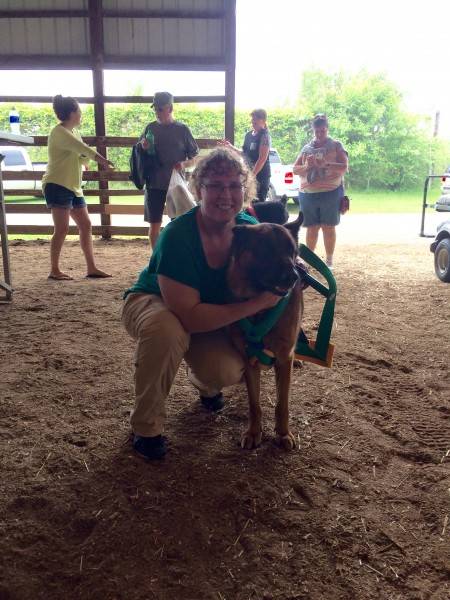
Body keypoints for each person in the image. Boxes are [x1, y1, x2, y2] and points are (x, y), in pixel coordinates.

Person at [122, 147, 282, 460]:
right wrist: (257, 304)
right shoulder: (179, 234)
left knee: (225, 370)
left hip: (207, 309)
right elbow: (190, 317)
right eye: (216, 185)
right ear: (199, 189)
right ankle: (146, 427)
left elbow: (281, 254)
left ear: (245, 189)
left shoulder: (250, 229)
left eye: (235, 185)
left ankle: (204, 383)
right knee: (168, 330)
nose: (226, 194)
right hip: (153, 301)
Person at [42, 95, 114, 280]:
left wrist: (86, 160)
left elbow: (81, 154)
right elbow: (82, 148)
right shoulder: (59, 132)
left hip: (73, 187)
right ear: (72, 113)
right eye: (79, 110)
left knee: (86, 224)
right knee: (62, 228)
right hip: (57, 184)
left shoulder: (74, 132)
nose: (81, 114)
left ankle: (91, 267)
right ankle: (54, 270)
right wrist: (102, 160)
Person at [140, 91, 199, 247]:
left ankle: (178, 259)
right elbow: (138, 154)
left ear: (170, 108)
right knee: (154, 226)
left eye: (160, 109)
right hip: (153, 184)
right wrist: (143, 148)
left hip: (176, 186)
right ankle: (156, 261)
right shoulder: (149, 128)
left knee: (179, 225)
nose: (157, 112)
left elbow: (195, 158)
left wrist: (184, 164)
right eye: (155, 109)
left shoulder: (183, 130)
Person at [293, 113, 348, 269]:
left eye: (323, 131)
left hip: (330, 192)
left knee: (328, 226)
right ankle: (310, 261)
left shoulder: (337, 145)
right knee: (311, 227)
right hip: (307, 194)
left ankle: (329, 261)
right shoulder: (306, 148)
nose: (320, 134)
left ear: (327, 129)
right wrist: (307, 166)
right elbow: (295, 169)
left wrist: (326, 164)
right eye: (317, 131)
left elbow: (344, 167)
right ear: (313, 130)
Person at [222, 108, 272, 202]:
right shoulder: (248, 135)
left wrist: (252, 176)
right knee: (246, 204)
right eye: (253, 119)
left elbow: (262, 159)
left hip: (260, 177)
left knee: (258, 206)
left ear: (263, 120)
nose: (253, 121)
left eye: (256, 119)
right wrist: (231, 147)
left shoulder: (265, 136)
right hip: (248, 175)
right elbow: (244, 154)